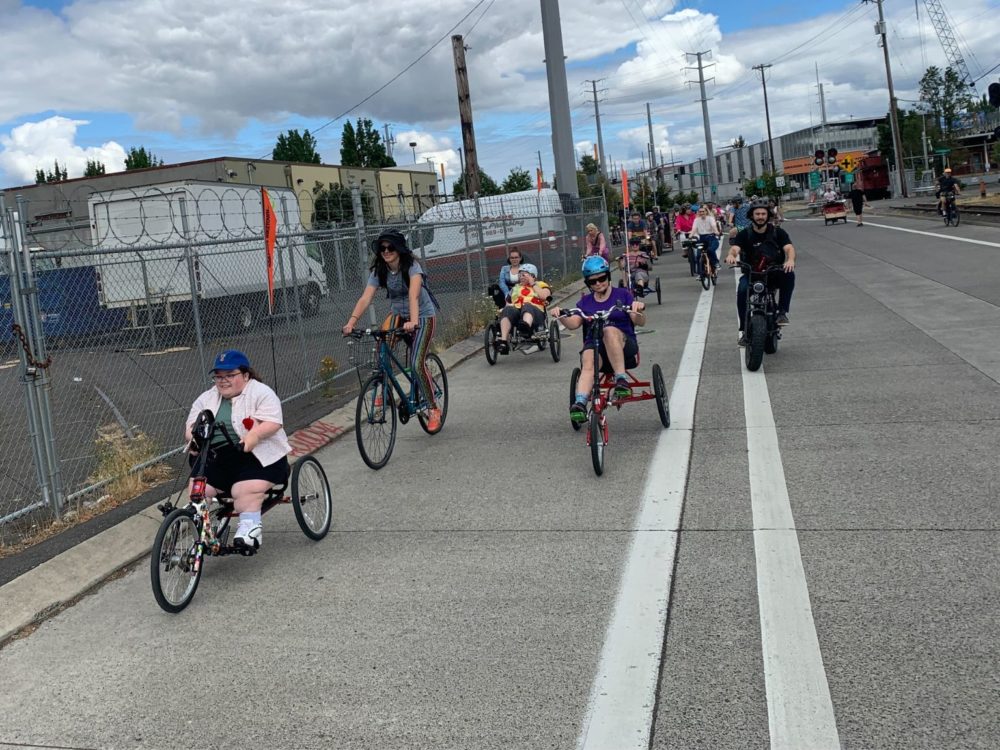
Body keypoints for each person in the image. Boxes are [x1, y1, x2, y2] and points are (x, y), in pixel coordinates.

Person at [185, 350, 291, 550]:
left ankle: (250, 529)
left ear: (245, 375)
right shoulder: (206, 398)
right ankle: (201, 535)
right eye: (218, 376)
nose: (222, 381)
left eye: (229, 375)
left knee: (242, 490)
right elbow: (190, 427)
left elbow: (274, 422)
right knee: (197, 493)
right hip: (218, 458)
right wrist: (194, 438)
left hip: (257, 458)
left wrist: (254, 435)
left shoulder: (261, 392)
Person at [342, 229, 441, 430]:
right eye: (382, 248)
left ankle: (433, 408)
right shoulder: (380, 271)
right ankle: (384, 390)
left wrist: (413, 321)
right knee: (382, 348)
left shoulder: (412, 266)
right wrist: (351, 322)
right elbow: (366, 297)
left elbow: (414, 295)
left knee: (415, 363)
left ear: (399, 249)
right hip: (397, 314)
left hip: (422, 315)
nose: (386, 251)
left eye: (390, 247)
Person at [551, 256, 646, 423]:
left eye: (601, 278)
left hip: (624, 348)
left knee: (608, 331)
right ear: (588, 283)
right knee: (587, 358)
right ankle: (580, 403)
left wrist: (637, 309)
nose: (598, 284)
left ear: (608, 276)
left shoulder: (623, 295)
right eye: (593, 281)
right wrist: (561, 316)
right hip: (597, 349)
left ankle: (621, 380)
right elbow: (574, 323)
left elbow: (640, 321)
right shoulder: (585, 302)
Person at [724, 200, 797, 346]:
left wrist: (790, 260)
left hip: (773, 272)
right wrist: (731, 255)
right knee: (742, 290)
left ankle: (782, 313)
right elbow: (735, 248)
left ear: (768, 215)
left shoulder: (778, 232)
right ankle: (744, 331)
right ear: (751, 216)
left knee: (789, 274)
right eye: (757, 214)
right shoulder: (745, 234)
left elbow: (789, 248)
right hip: (752, 274)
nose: (760, 216)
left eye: (763, 214)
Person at [496, 263, 551, 354]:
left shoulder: (540, 285)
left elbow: (544, 296)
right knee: (507, 310)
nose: (521, 277)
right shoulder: (516, 288)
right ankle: (504, 342)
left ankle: (525, 327)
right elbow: (508, 302)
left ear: (532, 275)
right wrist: (506, 307)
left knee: (527, 305)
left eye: (524, 274)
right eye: (520, 274)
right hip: (517, 313)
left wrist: (532, 283)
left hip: (535, 313)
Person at [692, 205, 721, 276]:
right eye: (700, 212)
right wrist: (690, 236)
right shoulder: (696, 220)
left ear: (706, 212)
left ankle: (716, 263)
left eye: (703, 211)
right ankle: (700, 274)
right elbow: (694, 229)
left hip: (711, 238)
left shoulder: (710, 218)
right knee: (698, 255)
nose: (701, 213)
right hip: (701, 239)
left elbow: (714, 226)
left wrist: (716, 232)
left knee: (710, 250)